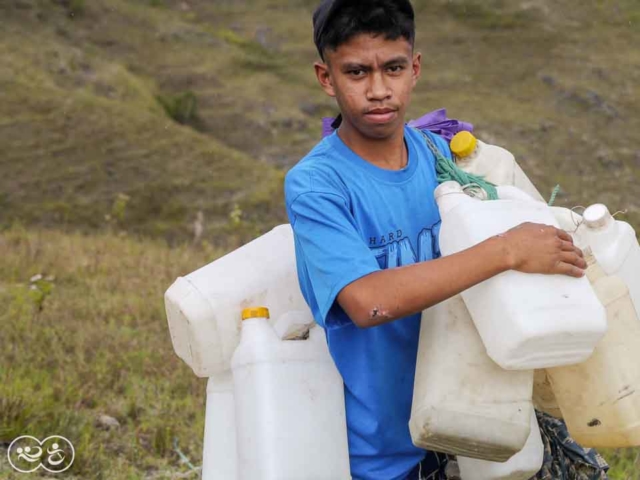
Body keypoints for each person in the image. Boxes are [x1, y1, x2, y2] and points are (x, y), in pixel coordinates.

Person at [284, 1, 587, 479]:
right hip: (383, 457)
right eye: (357, 72)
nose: (379, 90)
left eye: (394, 68)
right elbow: (368, 302)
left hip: (477, 429)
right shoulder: (317, 186)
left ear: (416, 68)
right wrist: (506, 249)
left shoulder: (444, 158)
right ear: (326, 77)